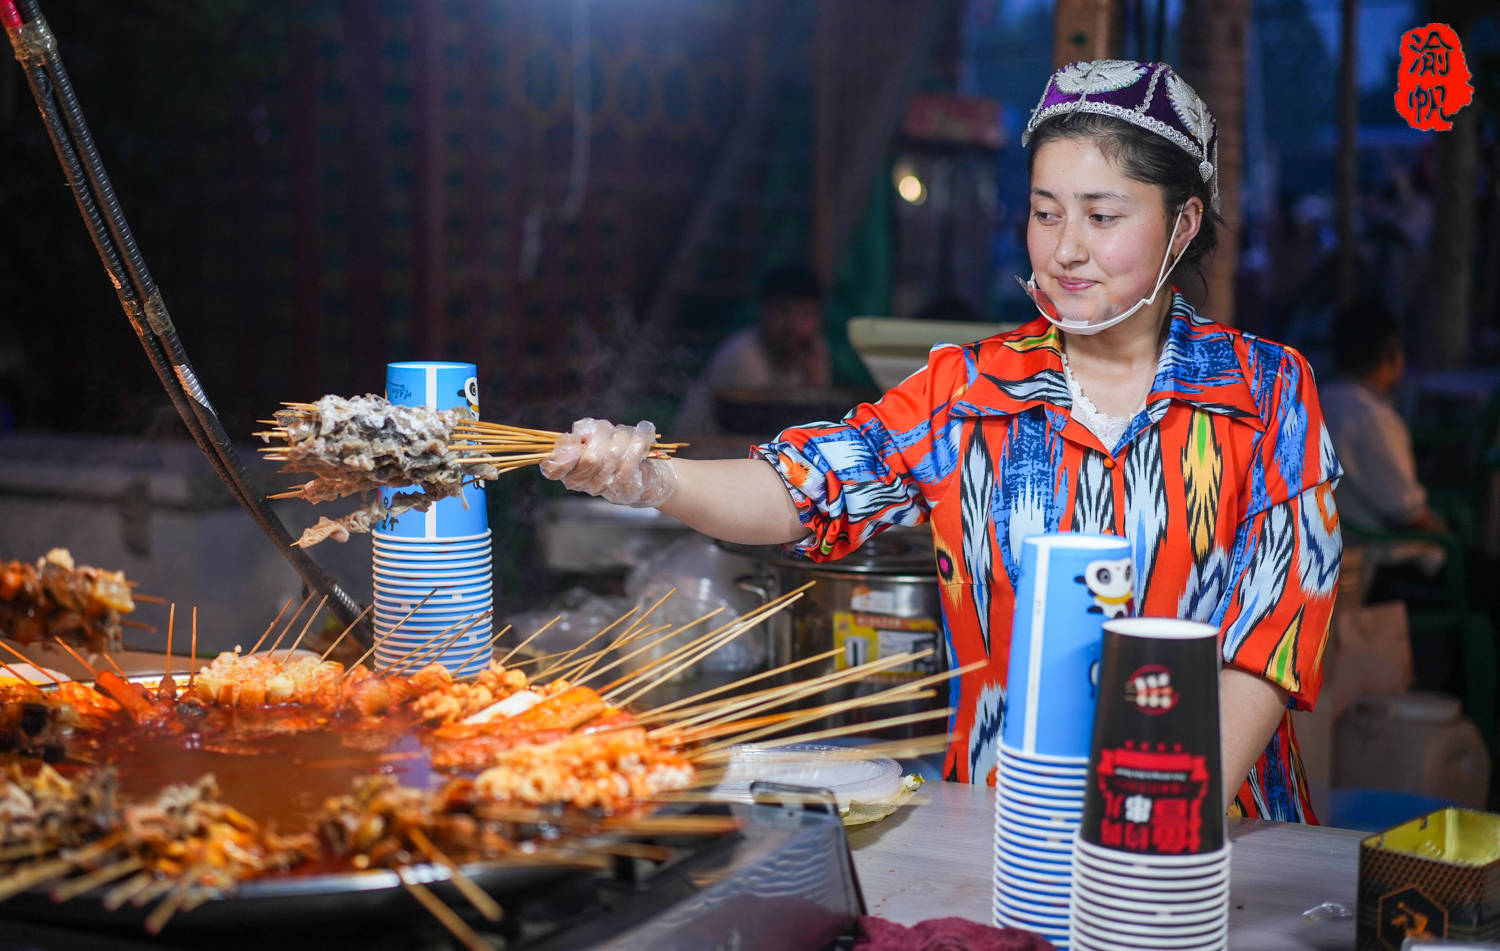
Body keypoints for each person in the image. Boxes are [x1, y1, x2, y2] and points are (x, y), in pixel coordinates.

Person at [542, 60, 1342, 823]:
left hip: (1215, 843)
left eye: (1103, 216)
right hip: (1005, 830)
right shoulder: (969, 391)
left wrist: (1155, 838)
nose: (1066, 248)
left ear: (1183, 224)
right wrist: (651, 479)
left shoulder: (1265, 395)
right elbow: (802, 490)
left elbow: (1269, 643)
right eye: (1045, 211)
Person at [672, 263, 832, 434]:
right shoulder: (743, 355)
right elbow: (765, 428)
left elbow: (817, 417)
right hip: (701, 452)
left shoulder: (813, 350)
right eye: (783, 311)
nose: (793, 325)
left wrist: (815, 380)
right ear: (763, 311)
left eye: (805, 314)